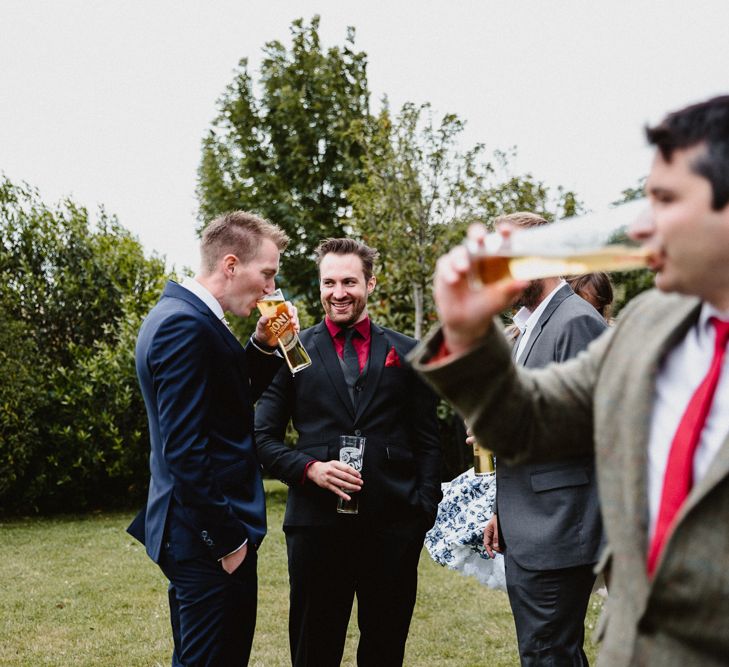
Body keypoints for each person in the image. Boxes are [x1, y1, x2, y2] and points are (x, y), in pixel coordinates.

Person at [411, 94, 729, 666]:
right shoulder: (648, 325)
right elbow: (529, 422)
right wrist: (467, 332)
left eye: (664, 199)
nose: (638, 224)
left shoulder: (584, 320)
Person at [255, 238, 442, 667]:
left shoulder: (409, 352)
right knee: (313, 650)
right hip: (316, 528)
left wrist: (422, 511)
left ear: (370, 283)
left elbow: (428, 441)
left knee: (384, 649)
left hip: (392, 527)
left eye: (349, 282)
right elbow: (260, 439)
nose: (338, 292)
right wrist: (310, 469)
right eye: (329, 282)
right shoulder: (290, 350)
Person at [127, 211, 291, 666]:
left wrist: (260, 346)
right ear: (232, 265)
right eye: (268, 274)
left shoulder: (187, 315)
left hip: (195, 534)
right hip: (206, 539)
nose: (270, 290)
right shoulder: (186, 325)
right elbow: (185, 449)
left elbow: (224, 406)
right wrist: (228, 543)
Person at [485, 212, 607, 665]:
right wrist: (503, 509)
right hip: (528, 524)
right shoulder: (527, 326)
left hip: (560, 531)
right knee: (549, 654)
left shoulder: (576, 322)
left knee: (547, 655)